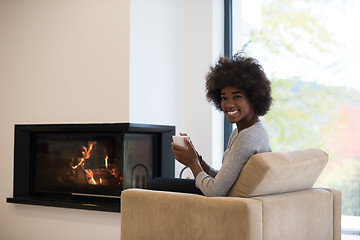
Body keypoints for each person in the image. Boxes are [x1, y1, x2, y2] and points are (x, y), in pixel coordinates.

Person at [148, 52, 273, 196]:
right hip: (229, 196)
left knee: (156, 184)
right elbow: (224, 180)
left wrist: (192, 164)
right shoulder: (245, 131)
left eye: (237, 97)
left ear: (254, 98)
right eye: (224, 98)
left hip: (224, 203)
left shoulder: (248, 137)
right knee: (159, 183)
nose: (229, 104)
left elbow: (215, 191)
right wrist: (198, 159)